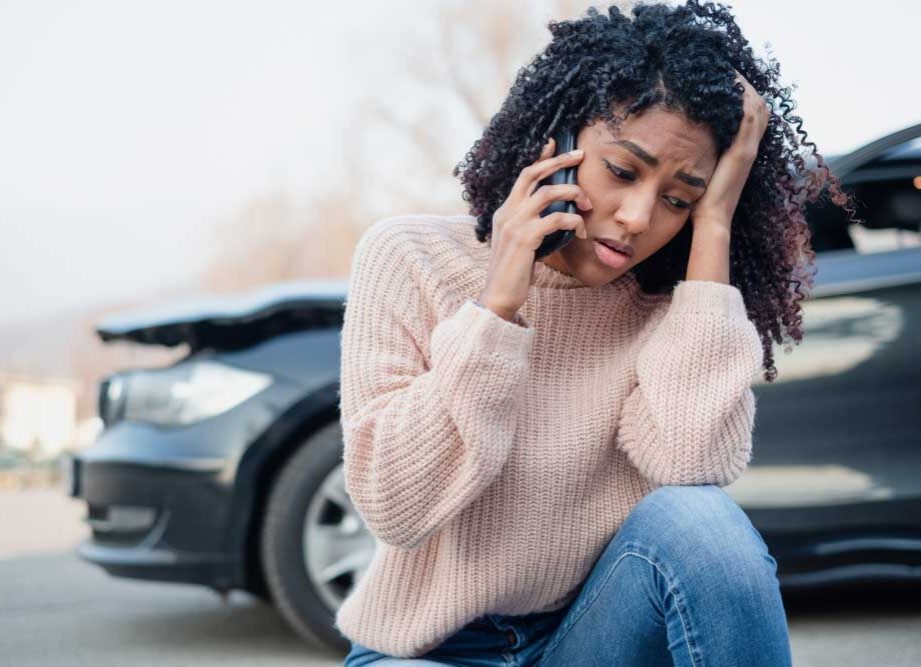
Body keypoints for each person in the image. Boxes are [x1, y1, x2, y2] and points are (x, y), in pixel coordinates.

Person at [335, 1, 854, 665]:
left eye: (678, 199)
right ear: (554, 138)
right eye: (621, 170)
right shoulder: (409, 256)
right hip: (426, 650)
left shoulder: (674, 303)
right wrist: (496, 307)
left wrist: (714, 223)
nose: (638, 217)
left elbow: (688, 462)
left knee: (703, 523)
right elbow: (396, 506)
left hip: (590, 636)